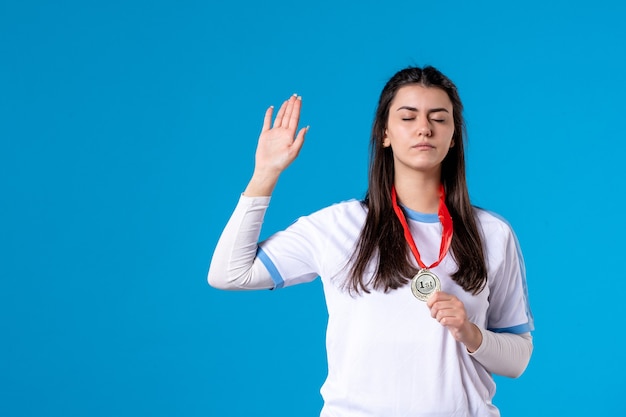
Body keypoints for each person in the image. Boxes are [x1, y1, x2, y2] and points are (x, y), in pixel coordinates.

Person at [207, 65, 534, 417]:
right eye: (408, 117)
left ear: (454, 136)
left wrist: (471, 333)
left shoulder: (492, 233)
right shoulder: (336, 226)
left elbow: (518, 359)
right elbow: (229, 274)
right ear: (384, 133)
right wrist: (265, 174)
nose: (425, 128)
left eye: (439, 119)